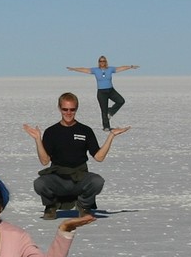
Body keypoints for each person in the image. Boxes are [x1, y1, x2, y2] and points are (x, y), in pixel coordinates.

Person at [23, 92, 130, 220]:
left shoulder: (85, 131)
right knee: (39, 183)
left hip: (80, 177)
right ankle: (51, 206)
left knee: (97, 181)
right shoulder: (52, 132)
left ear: (76, 109)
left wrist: (111, 136)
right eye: (65, 109)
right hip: (58, 178)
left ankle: (84, 206)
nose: (68, 113)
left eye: (72, 109)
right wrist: (37, 140)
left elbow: (99, 157)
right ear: (59, 109)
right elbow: (45, 161)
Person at [67, 55, 139, 131]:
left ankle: (110, 111)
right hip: (101, 92)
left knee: (121, 101)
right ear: (99, 62)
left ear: (106, 62)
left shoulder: (110, 69)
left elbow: (120, 68)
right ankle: (106, 127)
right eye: (100, 61)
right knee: (104, 110)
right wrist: (74, 69)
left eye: (103, 61)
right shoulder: (95, 70)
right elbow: (84, 69)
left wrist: (130, 67)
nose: (102, 62)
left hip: (111, 90)